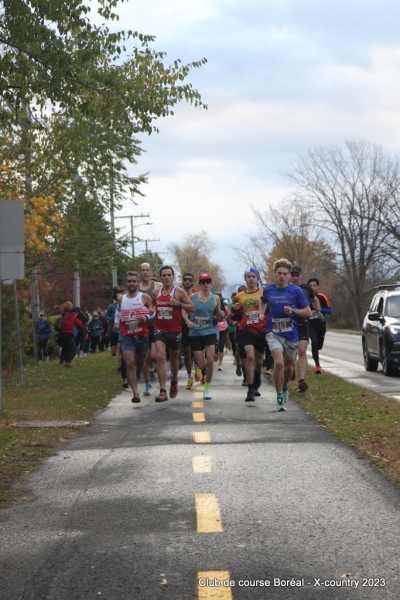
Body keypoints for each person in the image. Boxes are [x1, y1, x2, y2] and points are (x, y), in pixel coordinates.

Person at [259, 259, 311, 411]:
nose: (282, 276)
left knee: (288, 366)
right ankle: (279, 396)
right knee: (279, 363)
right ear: (274, 274)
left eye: (285, 274)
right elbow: (262, 302)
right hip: (273, 332)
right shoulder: (268, 290)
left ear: (289, 276)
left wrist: (293, 311)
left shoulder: (296, 291)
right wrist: (262, 313)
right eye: (279, 273)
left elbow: (307, 311)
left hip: (291, 334)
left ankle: (286, 385)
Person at [152, 265, 195, 402]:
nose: (166, 278)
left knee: (174, 361)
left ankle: (174, 380)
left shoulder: (179, 292)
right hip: (160, 329)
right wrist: (151, 310)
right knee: (160, 357)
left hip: (175, 330)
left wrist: (178, 304)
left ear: (173, 277)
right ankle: (162, 390)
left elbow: (192, 308)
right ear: (160, 278)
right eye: (163, 275)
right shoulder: (155, 293)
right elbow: (153, 305)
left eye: (168, 275)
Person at [113, 271, 154, 404]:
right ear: (126, 283)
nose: (131, 283)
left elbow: (153, 310)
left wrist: (147, 316)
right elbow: (118, 311)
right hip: (127, 336)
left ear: (138, 282)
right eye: (129, 281)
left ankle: (138, 375)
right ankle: (135, 393)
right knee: (129, 362)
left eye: (133, 281)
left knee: (141, 362)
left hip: (142, 336)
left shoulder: (144, 297)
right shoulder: (121, 298)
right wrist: (116, 323)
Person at [231, 268, 268, 402]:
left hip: (261, 330)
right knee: (250, 356)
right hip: (245, 330)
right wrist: (235, 310)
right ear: (245, 279)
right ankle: (250, 390)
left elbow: (271, 309)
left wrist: (264, 305)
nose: (251, 279)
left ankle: (257, 378)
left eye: (253, 276)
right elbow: (234, 316)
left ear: (258, 279)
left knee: (258, 361)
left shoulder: (264, 293)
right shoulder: (239, 296)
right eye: (248, 277)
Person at [185, 273, 224, 400]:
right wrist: (188, 321)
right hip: (195, 333)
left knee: (210, 360)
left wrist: (220, 315)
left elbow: (218, 316)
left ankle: (206, 389)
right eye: (203, 282)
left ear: (211, 283)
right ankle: (202, 371)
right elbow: (182, 310)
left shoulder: (216, 298)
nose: (206, 284)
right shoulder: (192, 296)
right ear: (200, 284)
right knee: (202, 364)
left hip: (209, 332)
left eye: (208, 282)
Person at [289, 265, 321, 392]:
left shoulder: (307, 288)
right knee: (290, 352)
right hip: (289, 324)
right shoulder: (286, 288)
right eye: (293, 276)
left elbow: (315, 300)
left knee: (302, 350)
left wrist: (318, 312)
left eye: (298, 275)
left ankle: (302, 380)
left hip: (303, 322)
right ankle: (290, 368)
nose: (295, 278)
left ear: (302, 276)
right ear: (290, 276)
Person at [139, 262, 162, 395]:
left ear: (151, 272)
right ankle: (147, 384)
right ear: (140, 272)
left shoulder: (157, 286)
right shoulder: (137, 288)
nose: (146, 272)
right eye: (143, 270)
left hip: (156, 325)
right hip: (141, 327)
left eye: (148, 270)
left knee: (154, 356)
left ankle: (153, 368)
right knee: (144, 356)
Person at [307, 277, 332, 370]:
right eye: (310, 286)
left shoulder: (322, 297)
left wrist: (319, 309)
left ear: (317, 287)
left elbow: (330, 311)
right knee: (314, 341)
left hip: (321, 324)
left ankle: (316, 356)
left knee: (319, 345)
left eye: (314, 285)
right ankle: (317, 365)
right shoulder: (305, 296)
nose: (312, 287)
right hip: (310, 324)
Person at [179, 272, 197, 390]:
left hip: (195, 323)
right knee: (187, 352)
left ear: (193, 282)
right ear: (182, 281)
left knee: (197, 350)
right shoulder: (178, 293)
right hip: (182, 324)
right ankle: (190, 376)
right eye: (185, 279)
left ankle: (199, 368)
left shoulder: (197, 294)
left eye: (190, 280)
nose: (187, 282)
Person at [60, 303, 83, 368]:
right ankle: (68, 363)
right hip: (69, 334)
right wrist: (79, 318)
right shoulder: (74, 317)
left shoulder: (65, 317)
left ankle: (65, 360)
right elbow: (80, 324)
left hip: (63, 334)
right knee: (74, 350)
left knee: (67, 349)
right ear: (75, 313)